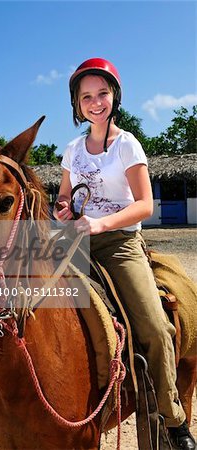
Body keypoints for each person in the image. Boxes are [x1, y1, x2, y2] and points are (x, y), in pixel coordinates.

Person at [53, 57, 196, 449]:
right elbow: (63, 199)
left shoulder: (127, 144)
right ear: (76, 103)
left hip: (118, 243)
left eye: (102, 93)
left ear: (115, 96)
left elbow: (145, 205)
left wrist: (101, 223)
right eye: (86, 96)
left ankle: (174, 419)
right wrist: (61, 209)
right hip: (75, 240)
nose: (95, 102)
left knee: (153, 325)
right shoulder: (72, 149)